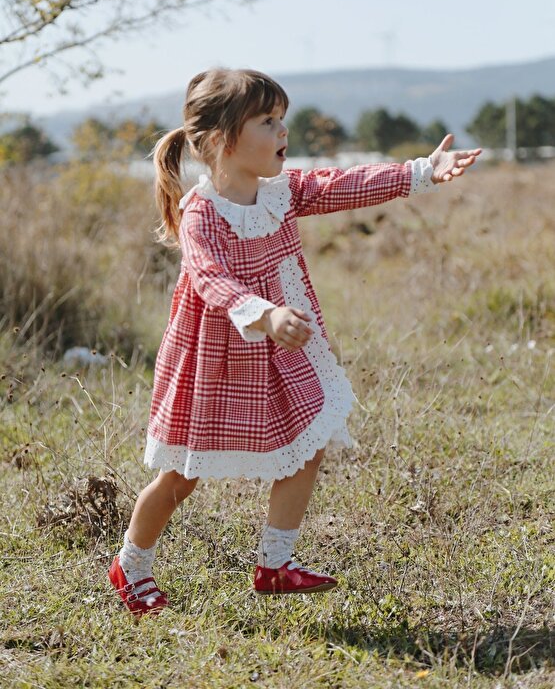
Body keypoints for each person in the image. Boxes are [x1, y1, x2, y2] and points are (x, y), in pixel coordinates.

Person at [108, 67, 481, 615]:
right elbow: (211, 279)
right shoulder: (201, 212)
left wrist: (424, 170)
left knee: (311, 437)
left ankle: (275, 564)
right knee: (181, 478)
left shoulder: (282, 193)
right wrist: (263, 313)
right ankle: (131, 565)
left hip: (283, 348)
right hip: (217, 358)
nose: (283, 131)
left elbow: (346, 184)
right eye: (267, 121)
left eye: (282, 118)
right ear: (220, 140)